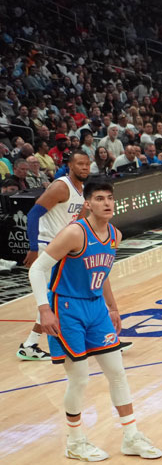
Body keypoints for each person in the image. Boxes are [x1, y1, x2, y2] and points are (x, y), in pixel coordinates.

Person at [26, 181, 162, 461]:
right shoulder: (75, 233)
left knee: (117, 372)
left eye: (110, 198)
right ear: (87, 204)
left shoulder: (115, 234)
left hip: (96, 308)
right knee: (80, 379)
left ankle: (131, 437)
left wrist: (113, 307)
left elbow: (103, 271)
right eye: (99, 198)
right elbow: (37, 270)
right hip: (66, 308)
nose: (107, 203)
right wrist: (44, 310)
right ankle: (75, 442)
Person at [18, 150, 91, 362]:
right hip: (46, 246)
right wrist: (32, 247)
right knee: (52, 298)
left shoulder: (81, 189)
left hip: (61, 247)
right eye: (80, 164)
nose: (84, 167)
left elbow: (75, 221)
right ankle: (31, 344)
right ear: (70, 165)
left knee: (59, 296)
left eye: (87, 164)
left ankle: (31, 344)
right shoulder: (61, 186)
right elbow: (33, 214)